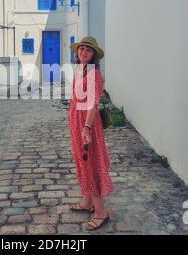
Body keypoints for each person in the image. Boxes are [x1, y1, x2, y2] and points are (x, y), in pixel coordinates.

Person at [67, 36, 115, 231]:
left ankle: (101, 212)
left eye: (88, 50)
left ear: (94, 54)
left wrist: (86, 128)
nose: (83, 52)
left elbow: (92, 104)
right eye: (81, 49)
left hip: (87, 124)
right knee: (81, 162)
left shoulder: (94, 74)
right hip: (76, 122)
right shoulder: (80, 70)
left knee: (90, 164)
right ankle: (87, 201)